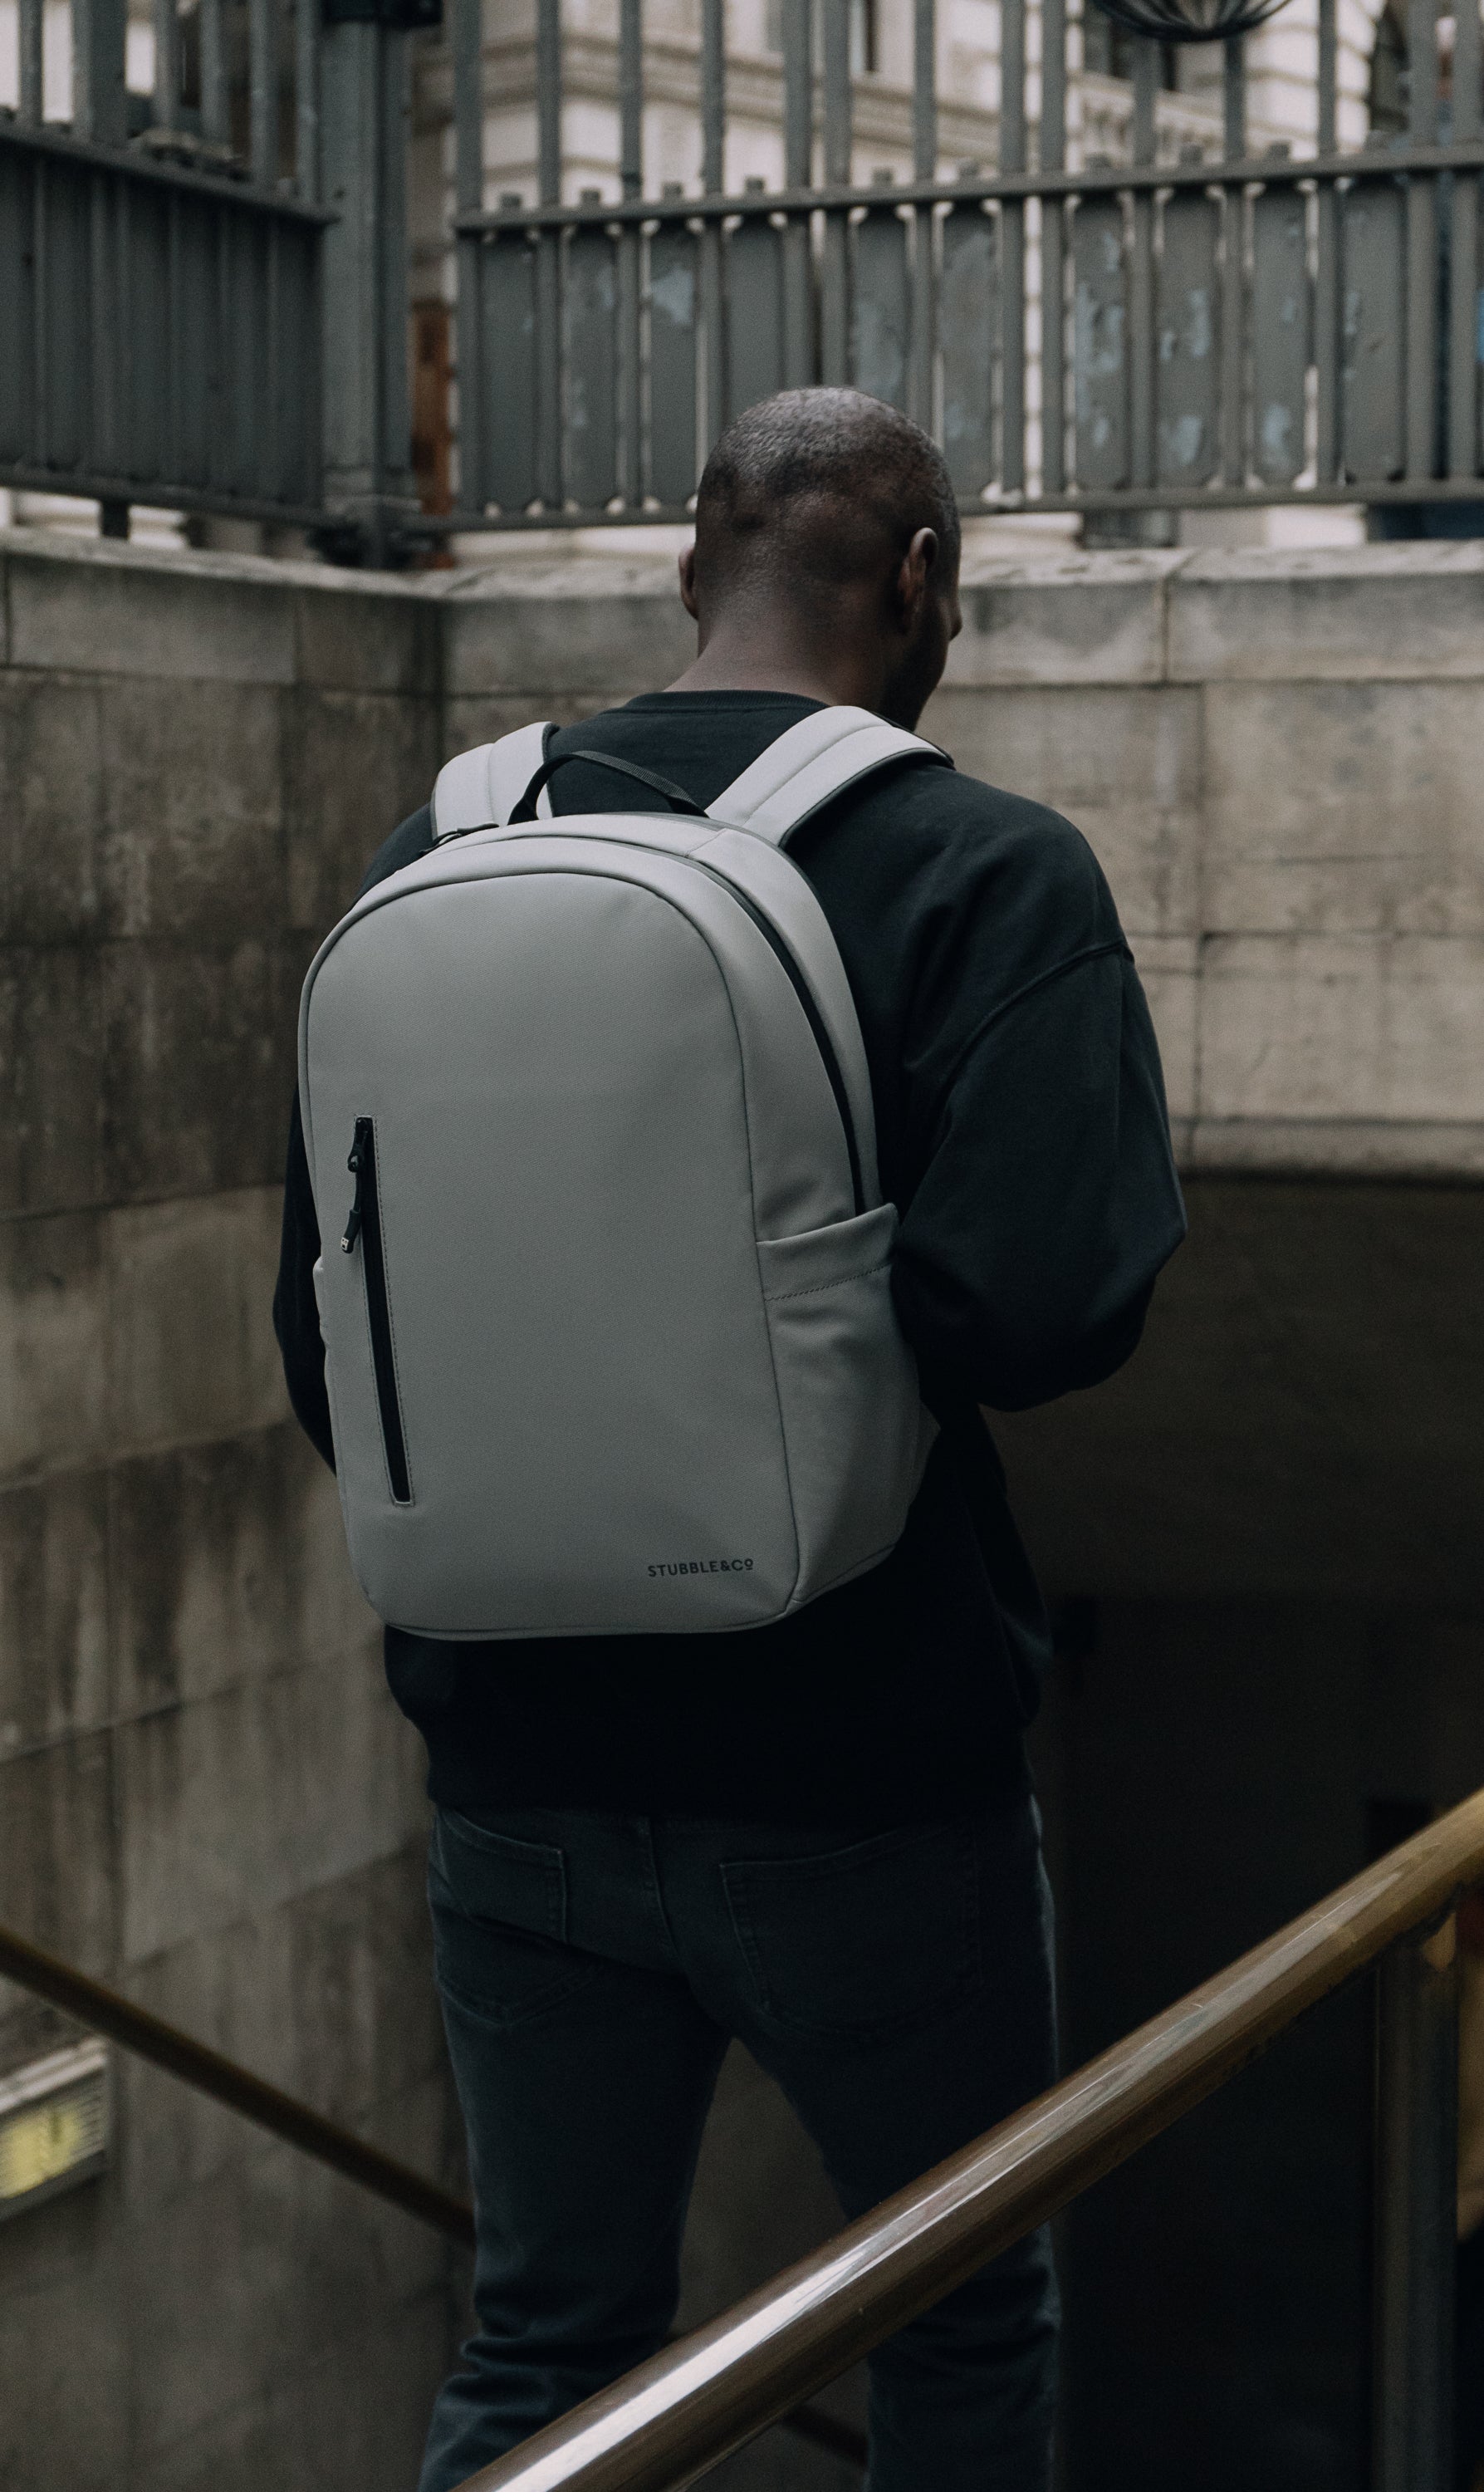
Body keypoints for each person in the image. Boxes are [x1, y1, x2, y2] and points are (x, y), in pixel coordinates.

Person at [273, 385, 1187, 2491]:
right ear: (928, 585)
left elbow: (330, 1339)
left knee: (547, 2342)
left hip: (509, 1780)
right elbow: (1046, 1311)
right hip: (865, 1778)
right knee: (958, 2325)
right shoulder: (989, 871)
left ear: (691, 572)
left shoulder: (438, 851)